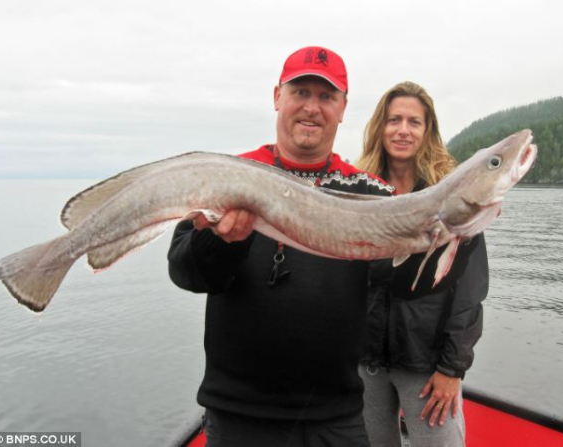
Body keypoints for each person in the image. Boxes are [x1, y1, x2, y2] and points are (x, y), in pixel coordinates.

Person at [167, 46, 394, 447]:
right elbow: (183, 271)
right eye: (300, 92)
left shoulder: (370, 193)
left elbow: (406, 284)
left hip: (336, 417)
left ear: (343, 108)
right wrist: (220, 243)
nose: (312, 108)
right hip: (240, 416)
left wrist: (458, 234)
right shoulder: (230, 176)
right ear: (277, 97)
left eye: (326, 96)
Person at [356, 81, 489, 447]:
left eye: (414, 122)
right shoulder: (359, 191)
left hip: (427, 367)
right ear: (380, 128)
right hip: (366, 363)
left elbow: (470, 293)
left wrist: (452, 368)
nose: (403, 130)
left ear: (427, 130)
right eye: (394, 120)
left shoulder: (455, 197)